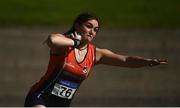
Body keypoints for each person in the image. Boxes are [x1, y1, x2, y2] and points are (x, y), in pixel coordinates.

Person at [24, 12, 167, 107]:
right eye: (89, 26)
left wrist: (147, 62)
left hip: (62, 104)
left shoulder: (95, 54)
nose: (92, 32)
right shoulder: (64, 44)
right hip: (40, 97)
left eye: (96, 29)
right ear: (77, 26)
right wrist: (74, 42)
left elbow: (125, 60)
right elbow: (52, 40)